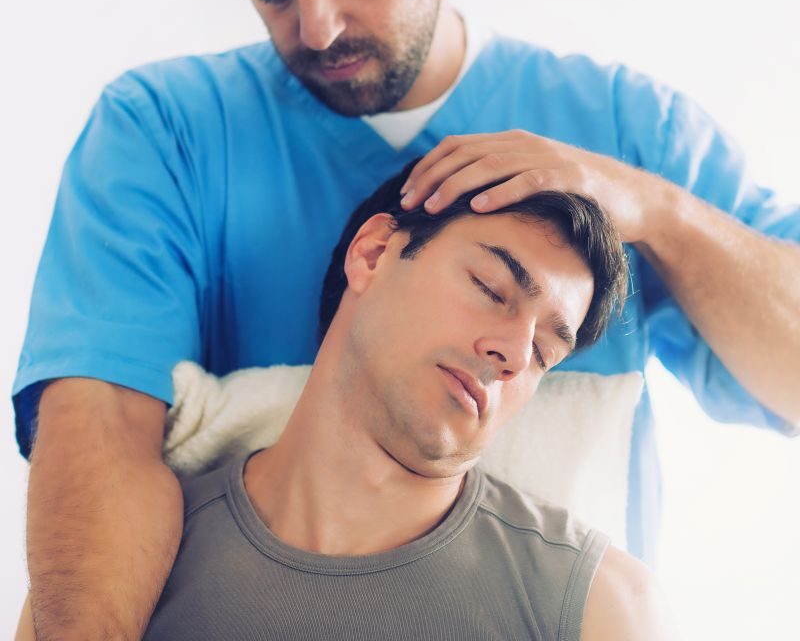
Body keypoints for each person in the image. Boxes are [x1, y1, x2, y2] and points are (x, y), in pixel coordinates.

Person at [13, 0, 799, 638]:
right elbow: (99, 435)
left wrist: (652, 209)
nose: (317, 28)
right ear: (373, 253)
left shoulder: (629, 128)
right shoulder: (166, 132)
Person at [140, 166, 677, 640]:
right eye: (490, 288)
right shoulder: (135, 556)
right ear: (373, 253)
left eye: (543, 352)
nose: (512, 354)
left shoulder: (603, 609)